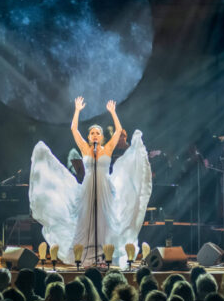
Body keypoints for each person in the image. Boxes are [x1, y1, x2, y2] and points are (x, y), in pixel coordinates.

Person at [30, 97, 152, 267]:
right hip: (88, 189)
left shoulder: (108, 148)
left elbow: (118, 130)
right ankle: (85, 255)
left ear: (101, 137)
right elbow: (73, 129)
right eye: (92, 133)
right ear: (88, 137)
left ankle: (105, 255)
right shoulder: (85, 149)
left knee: (105, 221)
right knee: (86, 220)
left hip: (104, 189)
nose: (95, 135)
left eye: (98, 133)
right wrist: (77, 110)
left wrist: (113, 112)